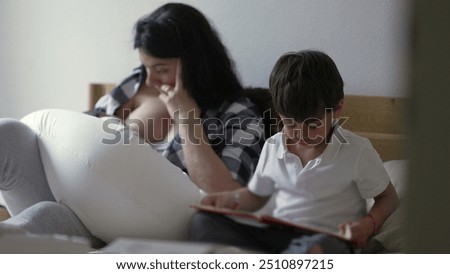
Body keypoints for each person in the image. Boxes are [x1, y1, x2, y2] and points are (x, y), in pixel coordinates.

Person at [0, 3, 265, 246]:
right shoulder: (137, 83)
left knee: (49, 215)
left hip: (139, 226)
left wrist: (187, 120)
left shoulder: (237, 113)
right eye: (145, 66)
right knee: (8, 134)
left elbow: (227, 196)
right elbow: (77, 136)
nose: (150, 79)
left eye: (161, 69)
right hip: (77, 195)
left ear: (196, 64)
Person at [188, 50, 399, 253]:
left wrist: (368, 225)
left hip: (329, 238)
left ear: (337, 109)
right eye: (289, 123)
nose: (301, 134)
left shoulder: (357, 151)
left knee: (315, 249)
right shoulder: (273, 145)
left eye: (313, 125)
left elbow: (388, 198)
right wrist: (228, 199)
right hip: (278, 234)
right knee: (203, 223)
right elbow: (256, 196)